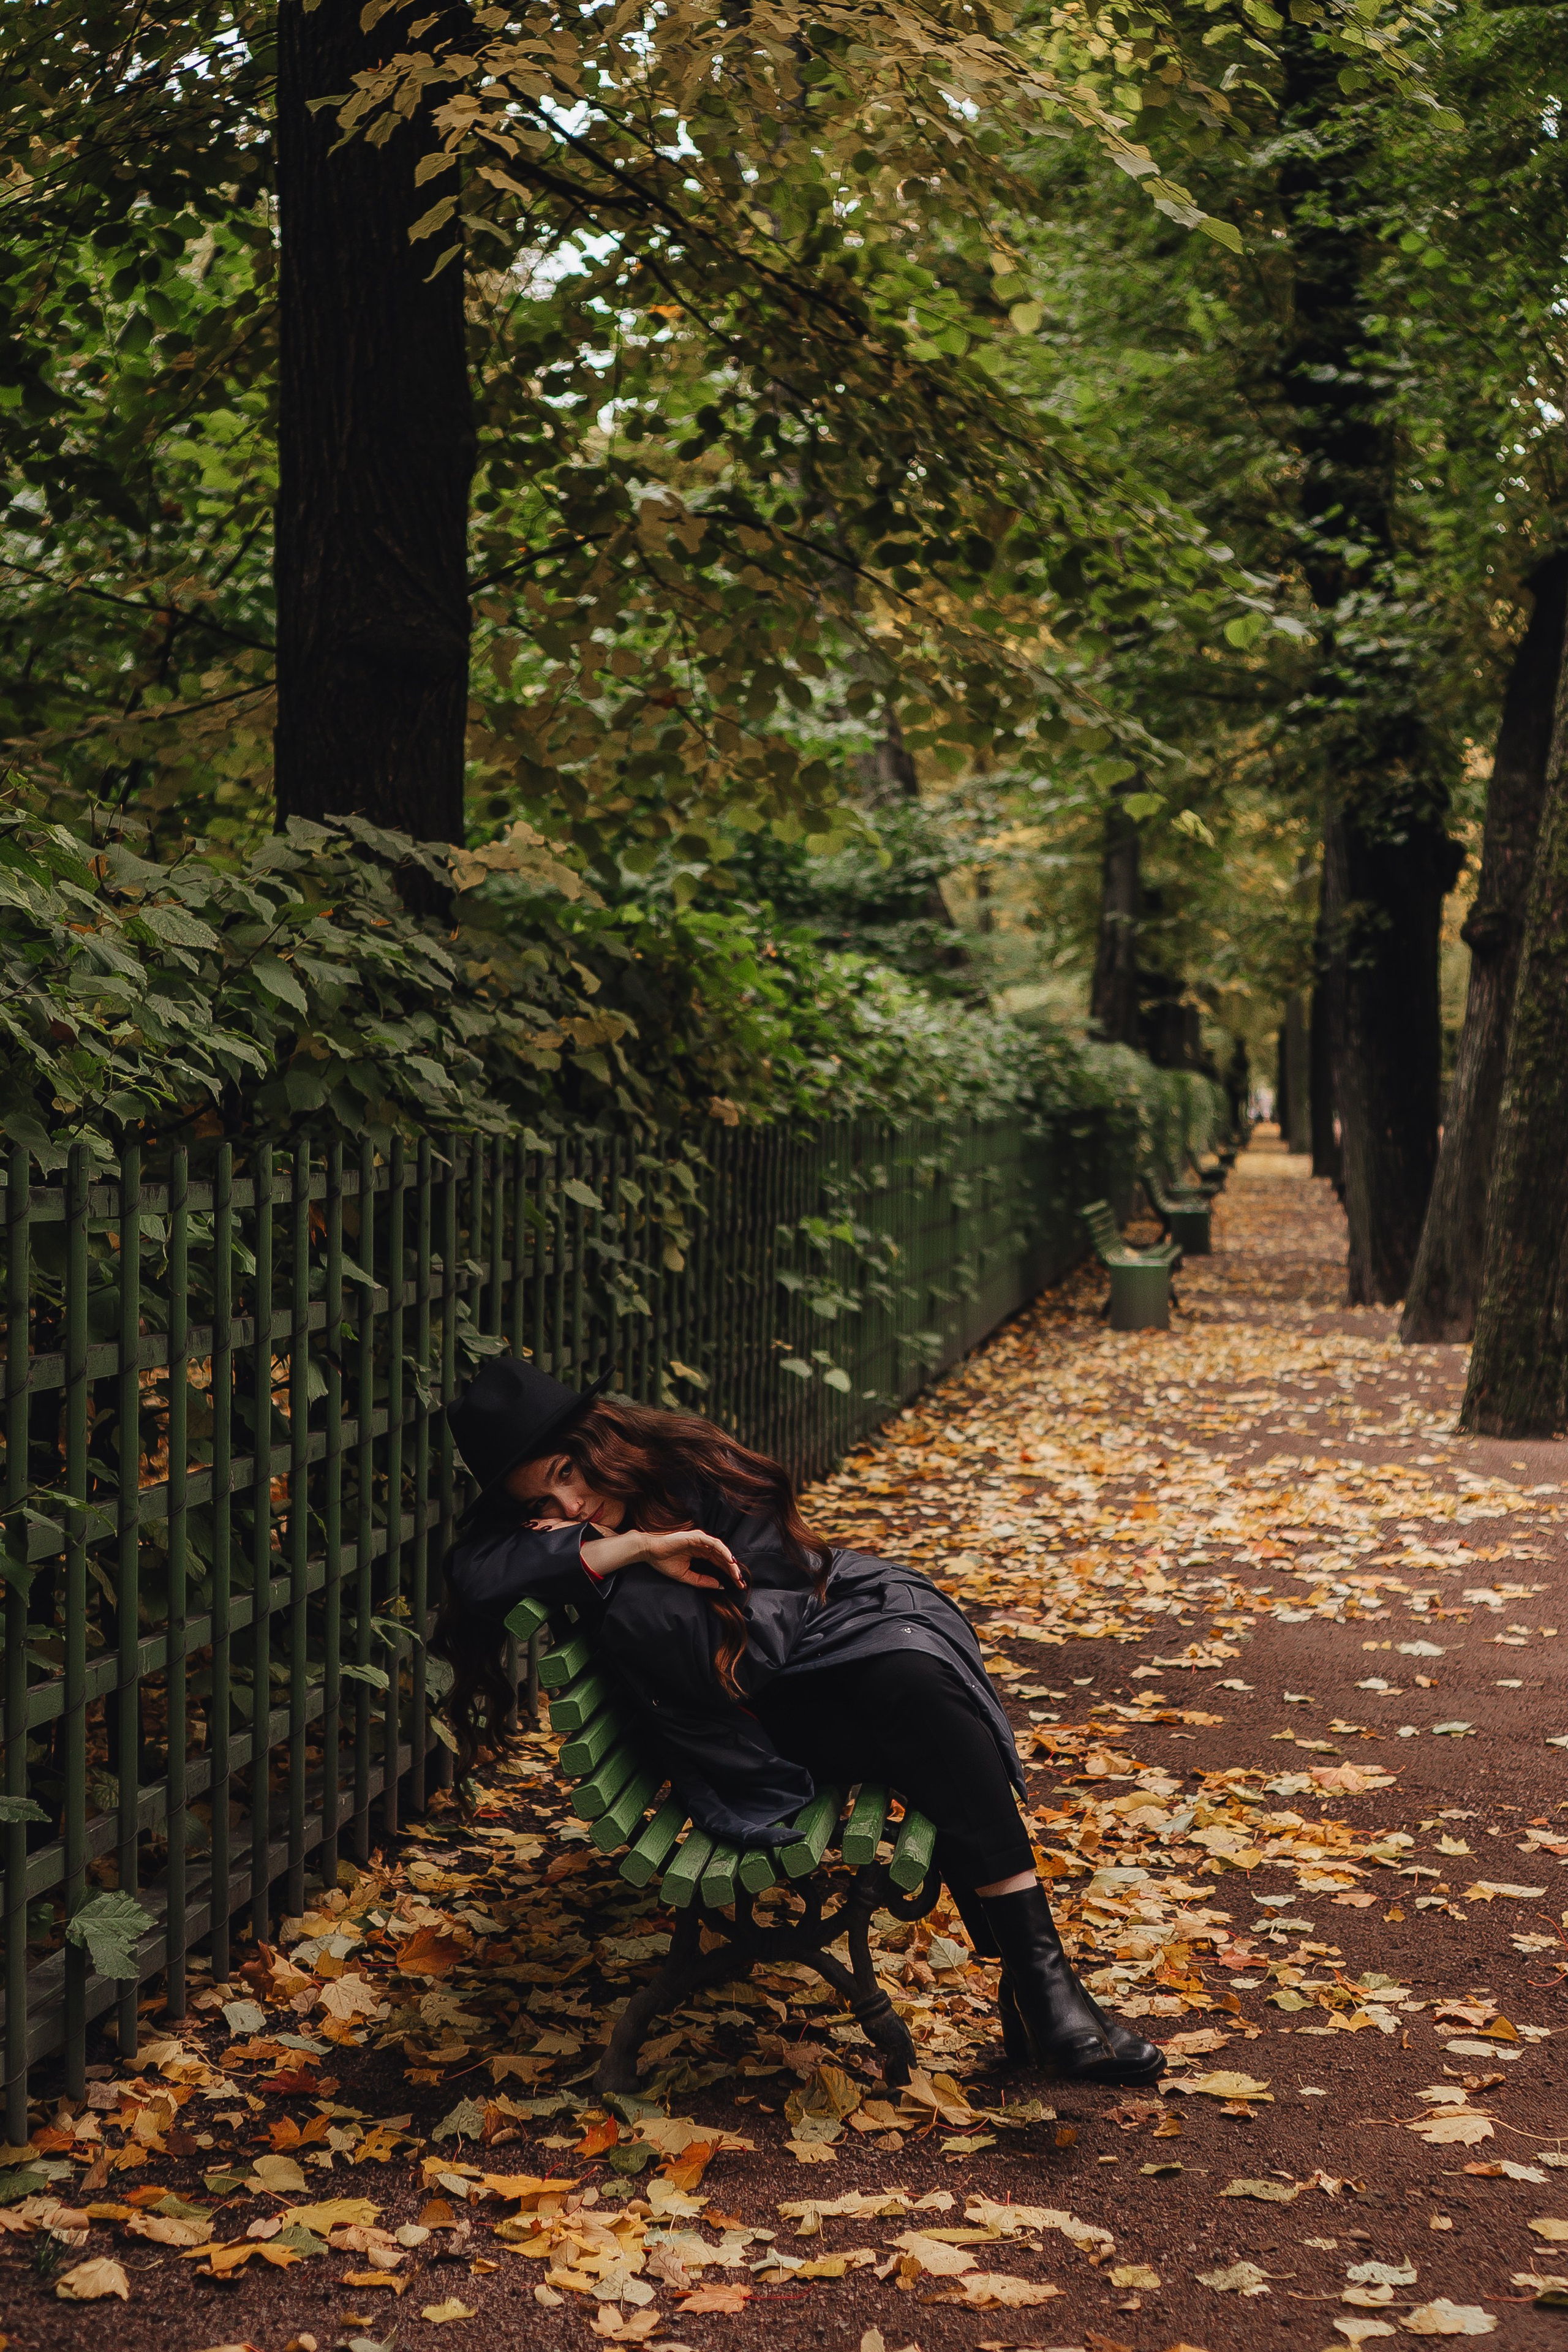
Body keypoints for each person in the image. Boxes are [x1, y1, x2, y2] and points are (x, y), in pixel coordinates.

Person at [432, 1355, 1163, 2087]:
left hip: (798, 1664)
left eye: (569, 1472)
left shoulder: (696, 1468)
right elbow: (476, 1574)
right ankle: (1042, 1987)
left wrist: (627, 1561)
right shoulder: (589, 1539)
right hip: (751, 1730)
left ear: (601, 1441)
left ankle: (1038, 1981)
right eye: (546, 1502)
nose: (571, 1505)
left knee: (921, 1688)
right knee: (931, 1721)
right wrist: (639, 1550)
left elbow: (767, 1627)